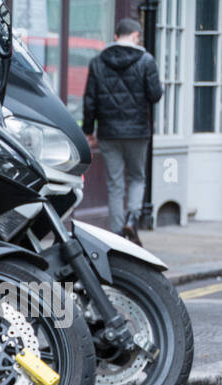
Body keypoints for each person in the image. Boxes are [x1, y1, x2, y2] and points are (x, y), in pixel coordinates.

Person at [82, 17, 163, 245]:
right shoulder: (146, 60)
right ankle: (132, 218)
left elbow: (90, 101)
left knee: (115, 183)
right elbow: (155, 95)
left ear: (116, 37)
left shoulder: (98, 62)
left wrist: (89, 131)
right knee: (137, 177)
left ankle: (118, 233)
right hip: (138, 132)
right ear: (136, 36)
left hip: (108, 133)